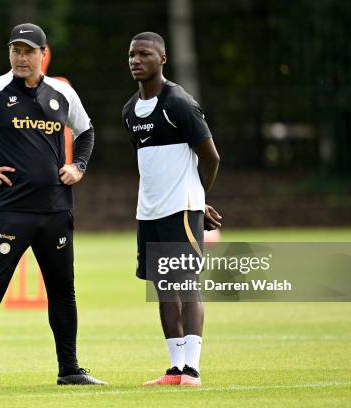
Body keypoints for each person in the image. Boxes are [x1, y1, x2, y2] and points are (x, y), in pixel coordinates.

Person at [0, 23, 105, 389]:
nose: (21, 57)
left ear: (43, 54)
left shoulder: (61, 94)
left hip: (57, 212)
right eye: (16, 50)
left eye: (29, 51)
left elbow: (87, 131)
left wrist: (79, 167)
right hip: (11, 212)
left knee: (63, 291)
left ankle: (69, 369)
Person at [122, 32, 221, 387]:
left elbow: (211, 158)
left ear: (162, 59)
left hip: (181, 211)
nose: (136, 60)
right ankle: (175, 369)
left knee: (186, 283)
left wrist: (197, 198)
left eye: (144, 54)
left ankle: (192, 370)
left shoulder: (178, 102)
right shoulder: (129, 111)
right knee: (163, 289)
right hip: (147, 214)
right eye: (132, 55)